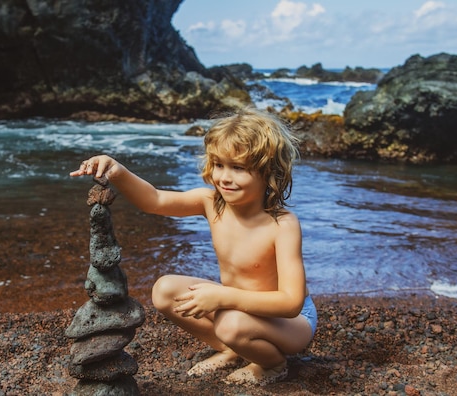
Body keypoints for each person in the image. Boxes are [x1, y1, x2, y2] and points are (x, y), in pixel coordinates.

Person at [70, 107, 317, 386]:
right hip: (238, 308)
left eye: (238, 168)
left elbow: (291, 302)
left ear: (268, 171)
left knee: (230, 324)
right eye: (219, 165)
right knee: (165, 291)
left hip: (291, 323)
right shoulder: (211, 203)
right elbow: (154, 200)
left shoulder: (282, 225)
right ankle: (231, 349)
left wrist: (223, 298)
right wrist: (118, 171)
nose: (224, 177)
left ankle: (272, 364)